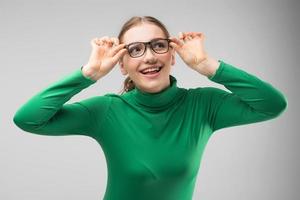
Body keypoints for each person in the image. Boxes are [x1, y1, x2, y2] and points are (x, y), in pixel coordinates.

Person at [13, 16, 287, 200]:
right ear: (122, 64)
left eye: (158, 45)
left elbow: (272, 105)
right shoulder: (106, 111)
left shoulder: (204, 105)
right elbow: (28, 119)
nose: (149, 56)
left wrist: (208, 66)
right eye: (135, 49)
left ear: (172, 54)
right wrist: (89, 74)